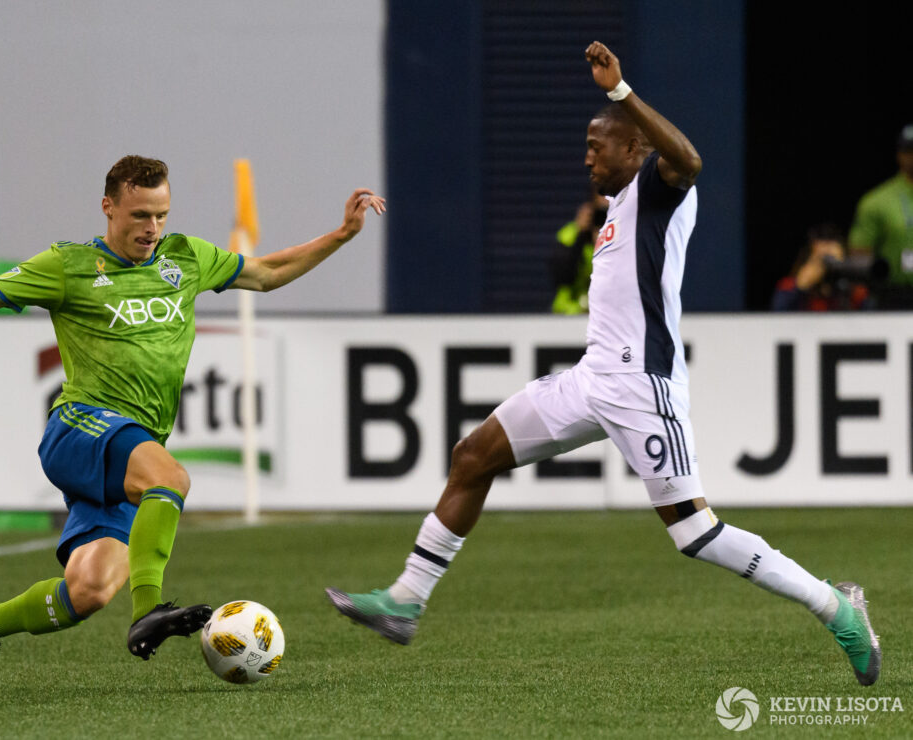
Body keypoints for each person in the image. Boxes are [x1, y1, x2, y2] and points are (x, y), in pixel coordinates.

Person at [326, 42, 881, 688]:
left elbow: (691, 159)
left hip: (643, 387)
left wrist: (622, 95)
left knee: (695, 533)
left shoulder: (659, 187)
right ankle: (406, 600)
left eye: (598, 145)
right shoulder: (615, 208)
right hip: (593, 381)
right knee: (473, 454)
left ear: (633, 149)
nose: (587, 156)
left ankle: (836, 607)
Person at [0, 155, 385, 692]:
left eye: (161, 214)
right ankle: (149, 609)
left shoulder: (186, 257)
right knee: (171, 479)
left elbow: (269, 272)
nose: (152, 228)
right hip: (79, 427)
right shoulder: (68, 266)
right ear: (108, 207)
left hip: (131, 451)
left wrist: (342, 234)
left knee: (87, 591)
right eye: (140, 215)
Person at [848, 124, 913, 307]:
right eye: (909, 150)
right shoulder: (877, 201)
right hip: (893, 297)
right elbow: (859, 254)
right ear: (899, 154)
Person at [770, 224, 873, 311]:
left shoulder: (857, 291)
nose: (827, 267)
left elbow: (874, 317)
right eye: (822, 261)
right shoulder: (789, 286)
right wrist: (800, 287)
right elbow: (777, 315)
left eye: (832, 262)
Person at [550, 191, 608, 314]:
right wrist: (580, 235)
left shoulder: (624, 233)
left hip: (608, 311)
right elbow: (562, 278)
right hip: (570, 311)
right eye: (600, 213)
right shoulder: (570, 235)